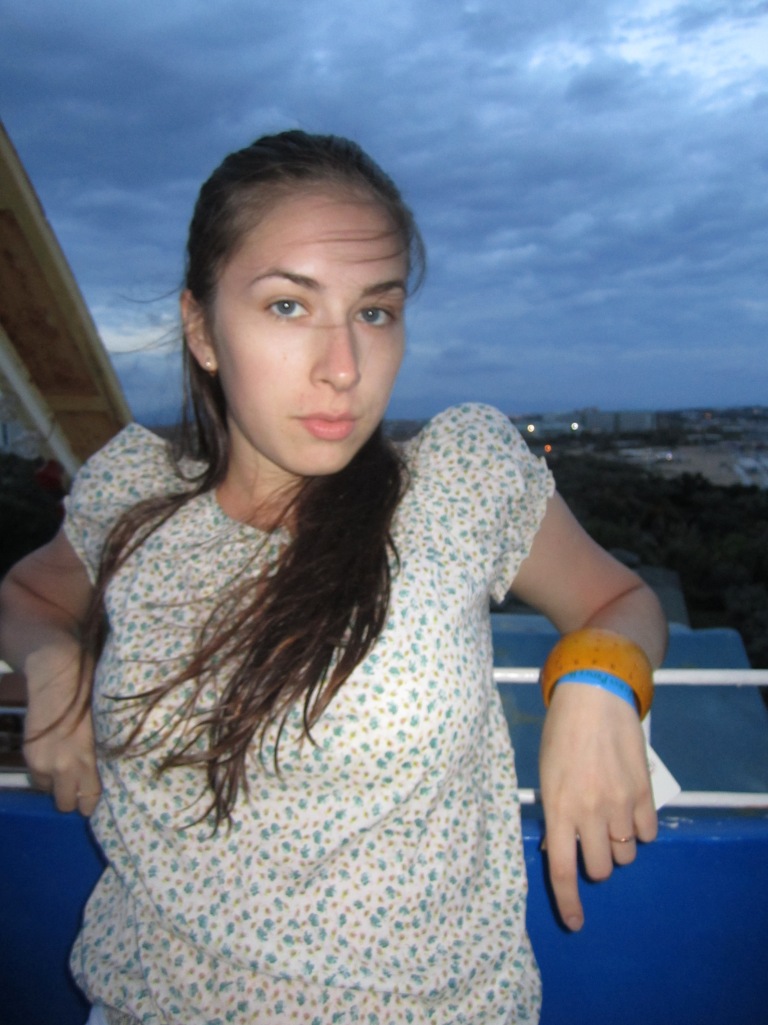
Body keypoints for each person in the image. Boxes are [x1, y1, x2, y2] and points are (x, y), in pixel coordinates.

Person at [0, 130, 667, 1025]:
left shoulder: (456, 485)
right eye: (288, 306)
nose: (344, 368)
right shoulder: (135, 494)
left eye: (375, 312)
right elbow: (29, 594)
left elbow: (620, 598)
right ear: (201, 329)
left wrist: (597, 680)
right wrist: (55, 667)